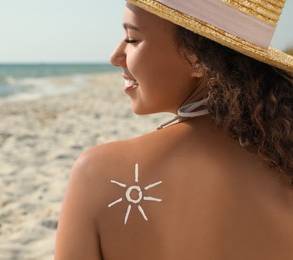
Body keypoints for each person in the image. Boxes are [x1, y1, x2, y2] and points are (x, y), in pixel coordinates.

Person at [55, 0, 293, 259]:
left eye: (132, 39)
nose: (115, 57)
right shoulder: (283, 160)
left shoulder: (96, 172)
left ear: (197, 58)